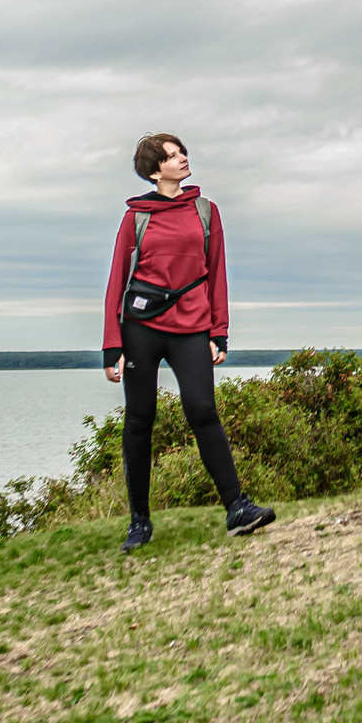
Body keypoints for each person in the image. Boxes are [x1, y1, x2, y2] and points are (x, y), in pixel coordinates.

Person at [103, 132, 274, 550]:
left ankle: (237, 508)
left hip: (193, 326)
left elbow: (217, 272)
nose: (182, 159)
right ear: (153, 170)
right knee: (140, 419)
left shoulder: (206, 212)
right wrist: (113, 345)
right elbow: (116, 282)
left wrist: (220, 331)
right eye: (172, 156)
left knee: (203, 411)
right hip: (141, 328)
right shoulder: (136, 217)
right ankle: (139, 522)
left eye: (182, 153)